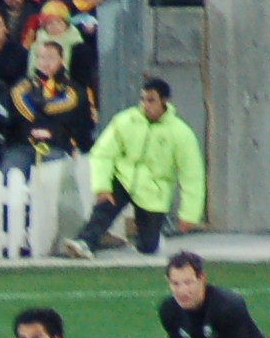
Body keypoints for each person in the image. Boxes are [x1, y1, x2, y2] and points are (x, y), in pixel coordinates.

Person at [61, 77, 204, 259]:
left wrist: (189, 214)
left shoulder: (181, 133)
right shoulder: (125, 120)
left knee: (147, 247)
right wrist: (102, 186)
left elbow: (192, 175)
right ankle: (85, 241)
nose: (145, 105)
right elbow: (102, 153)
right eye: (142, 99)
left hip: (154, 190)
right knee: (104, 208)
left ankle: (149, 239)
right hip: (124, 178)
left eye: (151, 100)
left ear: (164, 101)